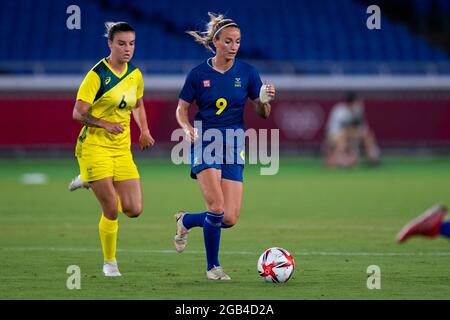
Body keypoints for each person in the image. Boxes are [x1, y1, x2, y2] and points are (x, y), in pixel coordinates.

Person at [173, 12, 275, 280]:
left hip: (233, 143)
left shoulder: (248, 72)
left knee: (228, 218)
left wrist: (264, 100)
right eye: (228, 41)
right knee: (216, 207)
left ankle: (185, 220)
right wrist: (186, 128)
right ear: (216, 42)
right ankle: (213, 267)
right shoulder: (198, 74)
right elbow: (181, 109)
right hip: (205, 140)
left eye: (238, 41)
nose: (234, 46)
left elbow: (263, 113)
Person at [71, 21, 155, 276]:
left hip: (122, 150)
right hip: (94, 146)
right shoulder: (97, 75)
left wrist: (144, 130)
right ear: (110, 44)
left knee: (133, 209)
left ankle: (89, 180)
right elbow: (77, 113)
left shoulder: (135, 74)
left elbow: (138, 105)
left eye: (131, 44)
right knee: (110, 208)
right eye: (121, 44)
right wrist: (103, 124)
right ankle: (110, 263)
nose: (127, 49)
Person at [324, 92, 380, 168]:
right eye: (357, 101)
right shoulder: (339, 111)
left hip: (352, 135)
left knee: (367, 135)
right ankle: (335, 161)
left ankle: (373, 159)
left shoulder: (358, 110)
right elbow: (340, 131)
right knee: (342, 138)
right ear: (352, 102)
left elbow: (363, 129)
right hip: (334, 136)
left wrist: (360, 133)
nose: (359, 103)